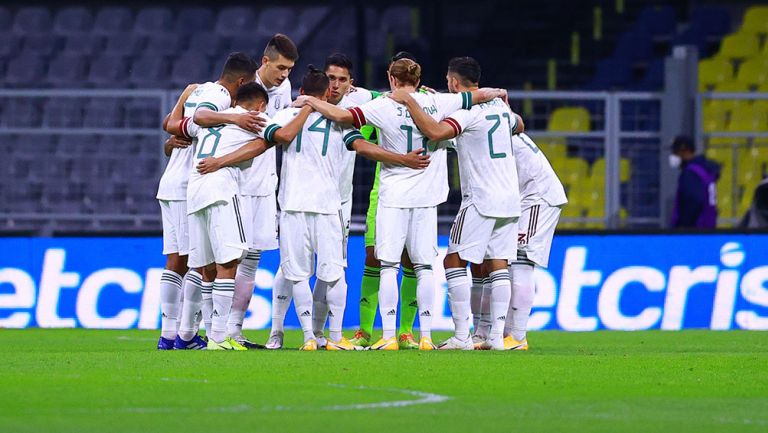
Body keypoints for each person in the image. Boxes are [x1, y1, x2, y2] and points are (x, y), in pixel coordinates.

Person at [197, 66, 430, 350]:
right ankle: (331, 337)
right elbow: (364, 147)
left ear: (303, 92)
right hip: (329, 206)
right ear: (325, 93)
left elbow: (269, 140)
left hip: (294, 205)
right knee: (333, 273)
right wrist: (402, 153)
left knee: (295, 273)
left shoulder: (284, 115)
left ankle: (308, 336)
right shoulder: (340, 121)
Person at [295, 58, 506, 350]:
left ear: (392, 79)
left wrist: (309, 100)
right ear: (418, 81)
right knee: (424, 268)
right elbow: (475, 95)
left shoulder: (382, 105)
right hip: (428, 198)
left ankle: (390, 336)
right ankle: (427, 337)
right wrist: (497, 92)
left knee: (389, 266)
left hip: (394, 197)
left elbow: (342, 117)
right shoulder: (439, 102)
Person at [387, 57, 525, 350]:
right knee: (498, 264)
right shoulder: (499, 108)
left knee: (453, 260)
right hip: (511, 198)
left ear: (453, 82)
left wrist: (411, 103)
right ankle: (495, 338)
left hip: (481, 198)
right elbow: (520, 125)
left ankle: (462, 336)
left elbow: (435, 133)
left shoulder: (468, 113)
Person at [162, 52, 263, 349]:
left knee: (181, 260)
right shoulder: (219, 97)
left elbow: (172, 124)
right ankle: (182, 334)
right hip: (191, 181)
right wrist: (237, 117)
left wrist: (182, 100)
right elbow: (200, 118)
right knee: (197, 262)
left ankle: (178, 335)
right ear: (242, 81)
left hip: (175, 181)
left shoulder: (200, 89)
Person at [228, 34, 298, 348]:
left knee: (253, 258)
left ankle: (234, 329)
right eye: (280, 67)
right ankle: (206, 328)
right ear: (265, 61)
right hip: (234, 184)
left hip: (265, 185)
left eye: (289, 69)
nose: (285, 75)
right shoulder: (242, 86)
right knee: (228, 257)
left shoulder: (283, 90)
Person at [669, 136, 720, 228]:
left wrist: (683, 227)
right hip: (708, 227)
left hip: (695, 230)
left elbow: (694, 201)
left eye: (675, 152)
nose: (673, 156)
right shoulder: (704, 170)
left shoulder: (691, 173)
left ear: (684, 151)